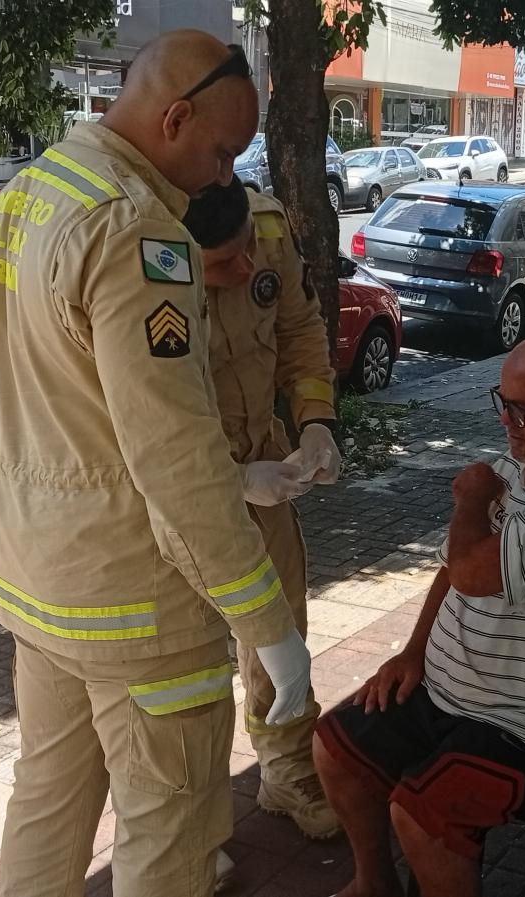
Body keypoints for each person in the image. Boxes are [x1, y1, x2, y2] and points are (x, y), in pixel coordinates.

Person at [0, 30, 311, 897]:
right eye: (223, 150)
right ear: (174, 117)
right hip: (139, 605)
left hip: (39, 579)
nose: (226, 174)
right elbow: (180, 462)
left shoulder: (24, 198)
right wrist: (270, 627)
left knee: (47, 801)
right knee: (171, 832)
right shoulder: (138, 233)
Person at [313, 330, 525, 897]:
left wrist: (471, 498)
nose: (506, 423)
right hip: (452, 690)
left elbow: (471, 571)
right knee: (335, 746)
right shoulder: (519, 466)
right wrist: (413, 652)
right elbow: (452, 569)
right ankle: (374, 885)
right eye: (502, 404)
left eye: (522, 411)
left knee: (422, 813)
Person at [181, 180, 342, 841]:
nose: (248, 267)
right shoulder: (139, 254)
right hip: (179, 489)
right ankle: (192, 824)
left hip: (266, 460)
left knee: (280, 630)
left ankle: (286, 770)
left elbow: (300, 328)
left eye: (249, 248)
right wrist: (230, 479)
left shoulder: (266, 227)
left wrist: (315, 422)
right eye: (226, 262)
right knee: (187, 656)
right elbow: (126, 412)